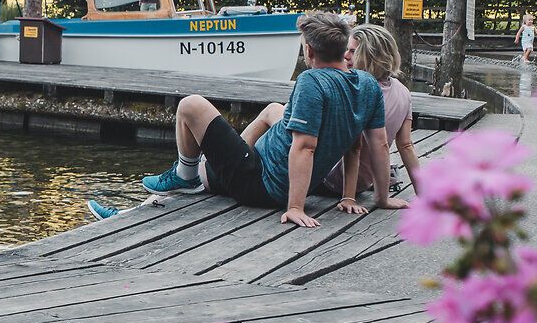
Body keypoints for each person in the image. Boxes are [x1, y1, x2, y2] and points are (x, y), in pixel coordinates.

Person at [138, 12, 400, 227]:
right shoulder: (367, 84)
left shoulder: (311, 81)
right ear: (344, 51)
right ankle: (200, 172)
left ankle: (186, 175)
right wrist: (382, 197)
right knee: (273, 109)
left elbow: (305, 146)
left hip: (259, 182)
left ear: (309, 51)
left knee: (190, 105)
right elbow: (377, 144)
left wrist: (295, 207)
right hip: (268, 171)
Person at [323, 24, 421, 201]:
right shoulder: (404, 92)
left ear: (371, 55)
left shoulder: (355, 88)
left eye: (352, 51)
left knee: (276, 111)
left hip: (332, 180)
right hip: (363, 183)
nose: (345, 55)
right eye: (346, 50)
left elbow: (354, 147)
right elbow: (406, 146)